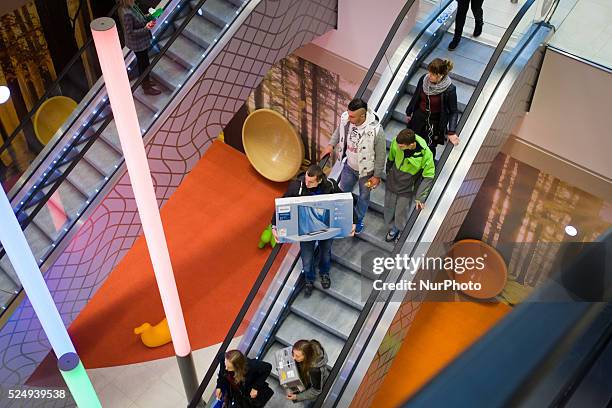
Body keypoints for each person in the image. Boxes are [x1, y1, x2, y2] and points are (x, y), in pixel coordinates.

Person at [271, 165, 357, 296]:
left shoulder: (330, 185)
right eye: (306, 179)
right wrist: (274, 226)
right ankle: (309, 280)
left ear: (319, 180)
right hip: (305, 229)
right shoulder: (296, 187)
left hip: (326, 227)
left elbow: (344, 201)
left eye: (310, 182)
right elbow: (283, 204)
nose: (306, 183)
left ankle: (324, 273)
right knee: (307, 257)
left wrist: (353, 221)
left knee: (325, 253)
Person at [384, 129, 435, 242]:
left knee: (400, 212)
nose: (399, 147)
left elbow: (429, 176)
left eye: (401, 146)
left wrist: (420, 197)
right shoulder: (397, 142)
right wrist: (388, 171)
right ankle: (392, 228)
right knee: (388, 208)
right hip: (392, 182)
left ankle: (399, 230)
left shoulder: (425, 155)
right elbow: (391, 158)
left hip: (407, 188)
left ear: (411, 145)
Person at [405, 58, 460, 159]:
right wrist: (409, 112)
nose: (429, 76)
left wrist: (451, 132)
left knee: (429, 147)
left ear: (441, 75)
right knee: (411, 142)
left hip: (434, 122)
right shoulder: (424, 79)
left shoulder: (450, 89)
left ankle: (426, 170)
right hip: (419, 116)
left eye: (433, 74)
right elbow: (416, 96)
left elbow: (453, 112)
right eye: (429, 72)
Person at [117, 0, 161, 95]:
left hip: (141, 42)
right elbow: (130, 33)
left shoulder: (132, 7)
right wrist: (146, 29)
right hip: (138, 44)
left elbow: (139, 18)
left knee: (144, 63)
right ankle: (146, 87)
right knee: (143, 64)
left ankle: (146, 81)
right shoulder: (126, 13)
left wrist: (149, 17)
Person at [286, 340, 329, 407]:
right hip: (307, 380)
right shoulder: (308, 348)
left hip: (315, 386)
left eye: (297, 356)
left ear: (306, 356)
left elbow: (316, 391)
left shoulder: (315, 370)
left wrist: (297, 397)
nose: (293, 358)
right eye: (293, 353)